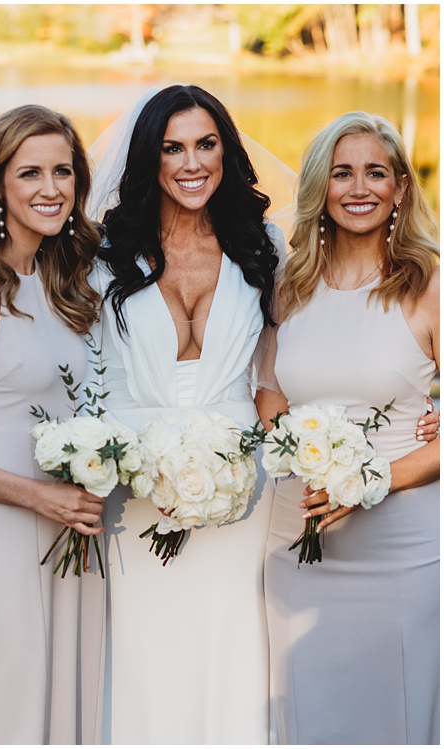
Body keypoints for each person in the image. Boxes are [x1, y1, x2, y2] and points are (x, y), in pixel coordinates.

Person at [89, 84, 284, 744]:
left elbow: (279, 377)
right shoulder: (103, 253)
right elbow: (74, 373)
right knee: (144, 649)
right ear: (150, 159)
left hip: (238, 491)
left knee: (231, 638)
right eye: (173, 147)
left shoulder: (265, 246)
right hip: (131, 489)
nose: (192, 162)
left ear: (227, 153)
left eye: (207, 144)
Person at [258, 112, 440, 744]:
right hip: (298, 536)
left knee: (398, 710)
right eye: (342, 173)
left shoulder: (429, 284)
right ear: (320, 188)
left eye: (376, 172)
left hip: (401, 547)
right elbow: (269, 386)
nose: (358, 188)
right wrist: (297, 449)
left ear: (399, 189)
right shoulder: (291, 284)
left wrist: (369, 480)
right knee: (310, 715)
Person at [0, 104, 106, 745]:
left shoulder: (58, 279)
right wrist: (38, 494)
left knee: (57, 697)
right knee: (2, 699)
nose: (50, 189)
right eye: (30, 173)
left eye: (62, 172)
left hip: (66, 533)